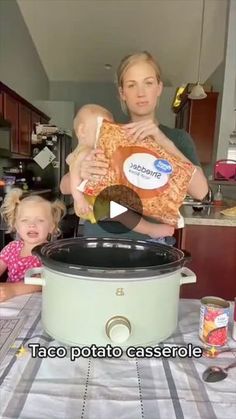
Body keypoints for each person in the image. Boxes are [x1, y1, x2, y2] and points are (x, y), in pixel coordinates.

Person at [60, 51, 208, 239]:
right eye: (131, 85)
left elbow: (201, 192)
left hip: (152, 246)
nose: (141, 93)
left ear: (159, 87)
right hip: (101, 240)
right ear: (122, 93)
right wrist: (82, 170)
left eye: (148, 83)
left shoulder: (176, 139)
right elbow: (65, 187)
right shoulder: (106, 134)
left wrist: (163, 141)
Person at [61, 103, 175, 239]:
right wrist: (79, 199)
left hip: (97, 200)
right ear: (82, 130)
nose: (108, 135)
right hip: (94, 202)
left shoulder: (86, 152)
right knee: (123, 214)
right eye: (104, 130)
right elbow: (73, 176)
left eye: (111, 130)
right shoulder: (85, 152)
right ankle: (150, 229)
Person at [0, 188, 66, 302]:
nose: (32, 225)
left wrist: (13, 290)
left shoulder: (52, 253)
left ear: (52, 226)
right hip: (10, 303)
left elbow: (44, 281)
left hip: (39, 305)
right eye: (25, 220)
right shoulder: (11, 248)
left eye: (40, 220)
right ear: (15, 225)